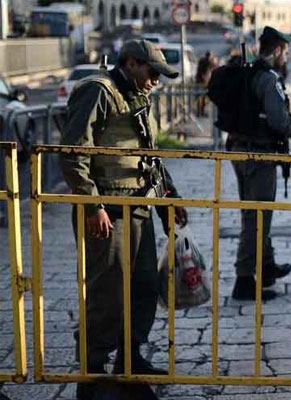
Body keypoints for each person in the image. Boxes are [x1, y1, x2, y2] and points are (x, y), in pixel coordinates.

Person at [60, 40, 188, 399]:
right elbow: (73, 153)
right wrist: (92, 205)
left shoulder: (137, 96)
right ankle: (92, 375)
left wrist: (169, 199)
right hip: (107, 213)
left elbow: (149, 156)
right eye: (152, 72)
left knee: (144, 288)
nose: (156, 81)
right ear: (130, 63)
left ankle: (130, 365)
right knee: (108, 295)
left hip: (138, 209)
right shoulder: (99, 92)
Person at [227, 26, 291, 301]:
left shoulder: (249, 72)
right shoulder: (268, 78)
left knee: (255, 212)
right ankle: (244, 279)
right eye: (285, 53)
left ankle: (266, 266)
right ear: (277, 50)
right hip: (258, 155)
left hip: (240, 151)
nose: (286, 58)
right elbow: (280, 121)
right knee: (256, 217)